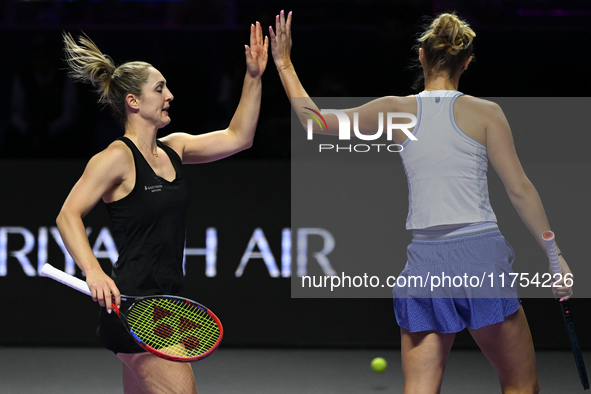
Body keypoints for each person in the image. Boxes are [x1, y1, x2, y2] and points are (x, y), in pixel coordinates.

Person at [269, 10, 573, 394]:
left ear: (421, 56)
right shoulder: (487, 113)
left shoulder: (394, 111)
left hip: (426, 262)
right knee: (521, 386)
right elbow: (520, 190)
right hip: (481, 256)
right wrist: (553, 255)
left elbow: (315, 123)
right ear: (467, 62)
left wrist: (284, 64)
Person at [56, 23, 268, 394]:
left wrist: (253, 77)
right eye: (160, 88)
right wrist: (93, 271)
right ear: (133, 102)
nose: (170, 95)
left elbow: (240, 137)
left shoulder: (177, 148)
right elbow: (67, 214)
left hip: (169, 302)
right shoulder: (116, 158)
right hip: (134, 307)